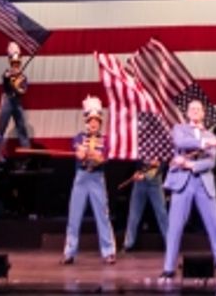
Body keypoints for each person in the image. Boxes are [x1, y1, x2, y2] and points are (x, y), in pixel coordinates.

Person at [161, 100, 216, 281]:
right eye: (192, 109)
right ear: (187, 113)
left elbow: (211, 162)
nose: (195, 111)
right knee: (175, 227)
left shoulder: (212, 136)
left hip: (203, 183)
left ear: (203, 114)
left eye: (198, 109)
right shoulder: (180, 129)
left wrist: (189, 164)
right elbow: (181, 142)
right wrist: (203, 143)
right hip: (182, 183)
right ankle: (169, 268)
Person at [62, 96, 116, 264]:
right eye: (91, 121)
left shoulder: (106, 140)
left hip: (97, 178)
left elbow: (104, 158)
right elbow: (78, 151)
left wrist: (97, 156)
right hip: (81, 177)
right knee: (74, 215)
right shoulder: (78, 137)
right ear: (86, 121)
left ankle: (108, 252)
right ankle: (69, 252)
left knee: (102, 215)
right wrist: (82, 153)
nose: (94, 124)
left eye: (97, 121)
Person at [122, 158, 169, 252]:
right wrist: (138, 171)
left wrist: (146, 175)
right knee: (134, 213)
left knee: (162, 213)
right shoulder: (142, 146)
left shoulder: (161, 147)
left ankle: (170, 242)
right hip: (140, 182)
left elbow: (163, 165)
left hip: (155, 183)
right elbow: (137, 160)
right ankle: (128, 244)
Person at [0, 42, 32, 155]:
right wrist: (11, 78)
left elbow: (23, 91)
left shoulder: (23, 77)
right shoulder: (7, 74)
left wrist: (17, 85)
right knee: (1, 127)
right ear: (10, 62)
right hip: (7, 100)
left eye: (17, 62)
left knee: (21, 127)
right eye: (14, 62)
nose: (16, 65)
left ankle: (27, 154)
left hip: (16, 102)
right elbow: (5, 79)